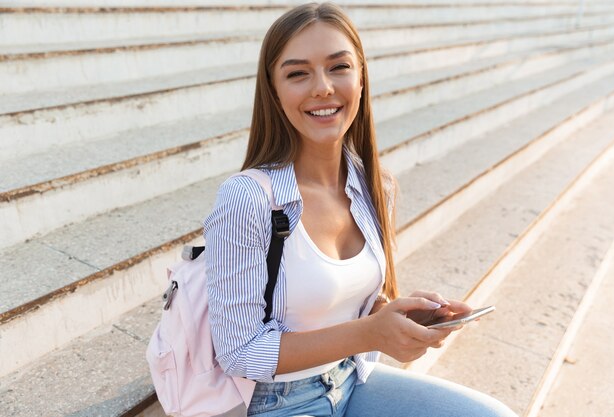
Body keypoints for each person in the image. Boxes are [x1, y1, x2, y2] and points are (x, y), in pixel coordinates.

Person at [204, 3, 518, 416]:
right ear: (275, 92)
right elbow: (241, 354)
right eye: (298, 73)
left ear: (361, 77)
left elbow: (357, 304)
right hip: (279, 403)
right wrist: (371, 333)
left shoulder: (373, 185)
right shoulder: (247, 199)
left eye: (339, 67)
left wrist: (402, 318)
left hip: (351, 380)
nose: (322, 88)